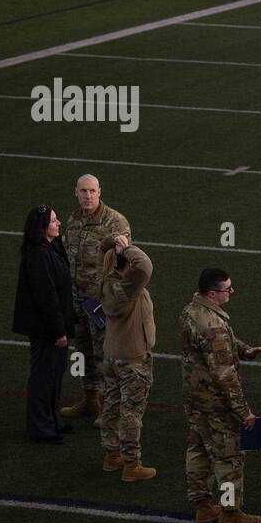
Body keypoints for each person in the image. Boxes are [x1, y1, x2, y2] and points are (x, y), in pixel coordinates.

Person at [180, 268, 261, 523]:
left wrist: (243, 350)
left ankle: (203, 506)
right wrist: (244, 412)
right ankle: (231, 513)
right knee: (228, 458)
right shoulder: (214, 326)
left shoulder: (191, 311)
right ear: (212, 293)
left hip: (195, 397)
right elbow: (225, 376)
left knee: (198, 449)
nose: (232, 292)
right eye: (227, 289)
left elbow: (210, 347)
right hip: (216, 403)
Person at [62, 174, 130, 426]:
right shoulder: (73, 220)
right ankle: (90, 399)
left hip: (100, 301)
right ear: (75, 192)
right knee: (84, 350)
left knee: (105, 353)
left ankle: (109, 407)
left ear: (100, 191)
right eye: (83, 191)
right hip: (77, 298)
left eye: (92, 191)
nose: (87, 196)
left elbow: (124, 262)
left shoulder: (115, 222)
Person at [12, 205, 76, 443]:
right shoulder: (38, 255)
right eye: (54, 221)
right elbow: (46, 296)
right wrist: (59, 330)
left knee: (55, 374)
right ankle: (41, 429)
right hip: (46, 329)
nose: (58, 223)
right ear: (42, 228)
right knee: (43, 377)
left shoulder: (50, 248)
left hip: (53, 327)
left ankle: (53, 421)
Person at [97, 233, 156, 481]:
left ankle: (111, 455)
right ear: (126, 266)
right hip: (132, 358)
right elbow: (145, 266)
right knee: (131, 411)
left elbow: (102, 250)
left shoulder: (106, 281)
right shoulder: (127, 286)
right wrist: (128, 248)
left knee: (111, 404)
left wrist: (113, 243)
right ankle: (132, 464)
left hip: (112, 355)